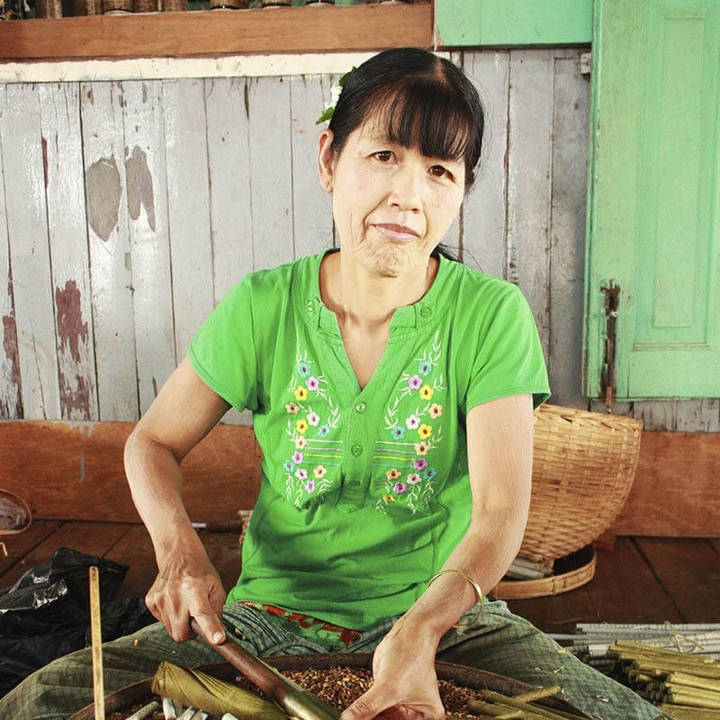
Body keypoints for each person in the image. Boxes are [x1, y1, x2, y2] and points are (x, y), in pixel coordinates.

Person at [0, 47, 666, 720]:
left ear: (461, 189)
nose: (408, 196)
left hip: (443, 619)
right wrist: (179, 551)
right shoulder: (264, 306)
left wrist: (421, 630)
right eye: (384, 156)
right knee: (40, 703)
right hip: (265, 620)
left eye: (440, 170)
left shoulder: (490, 315)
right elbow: (152, 443)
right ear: (329, 159)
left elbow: (498, 514)